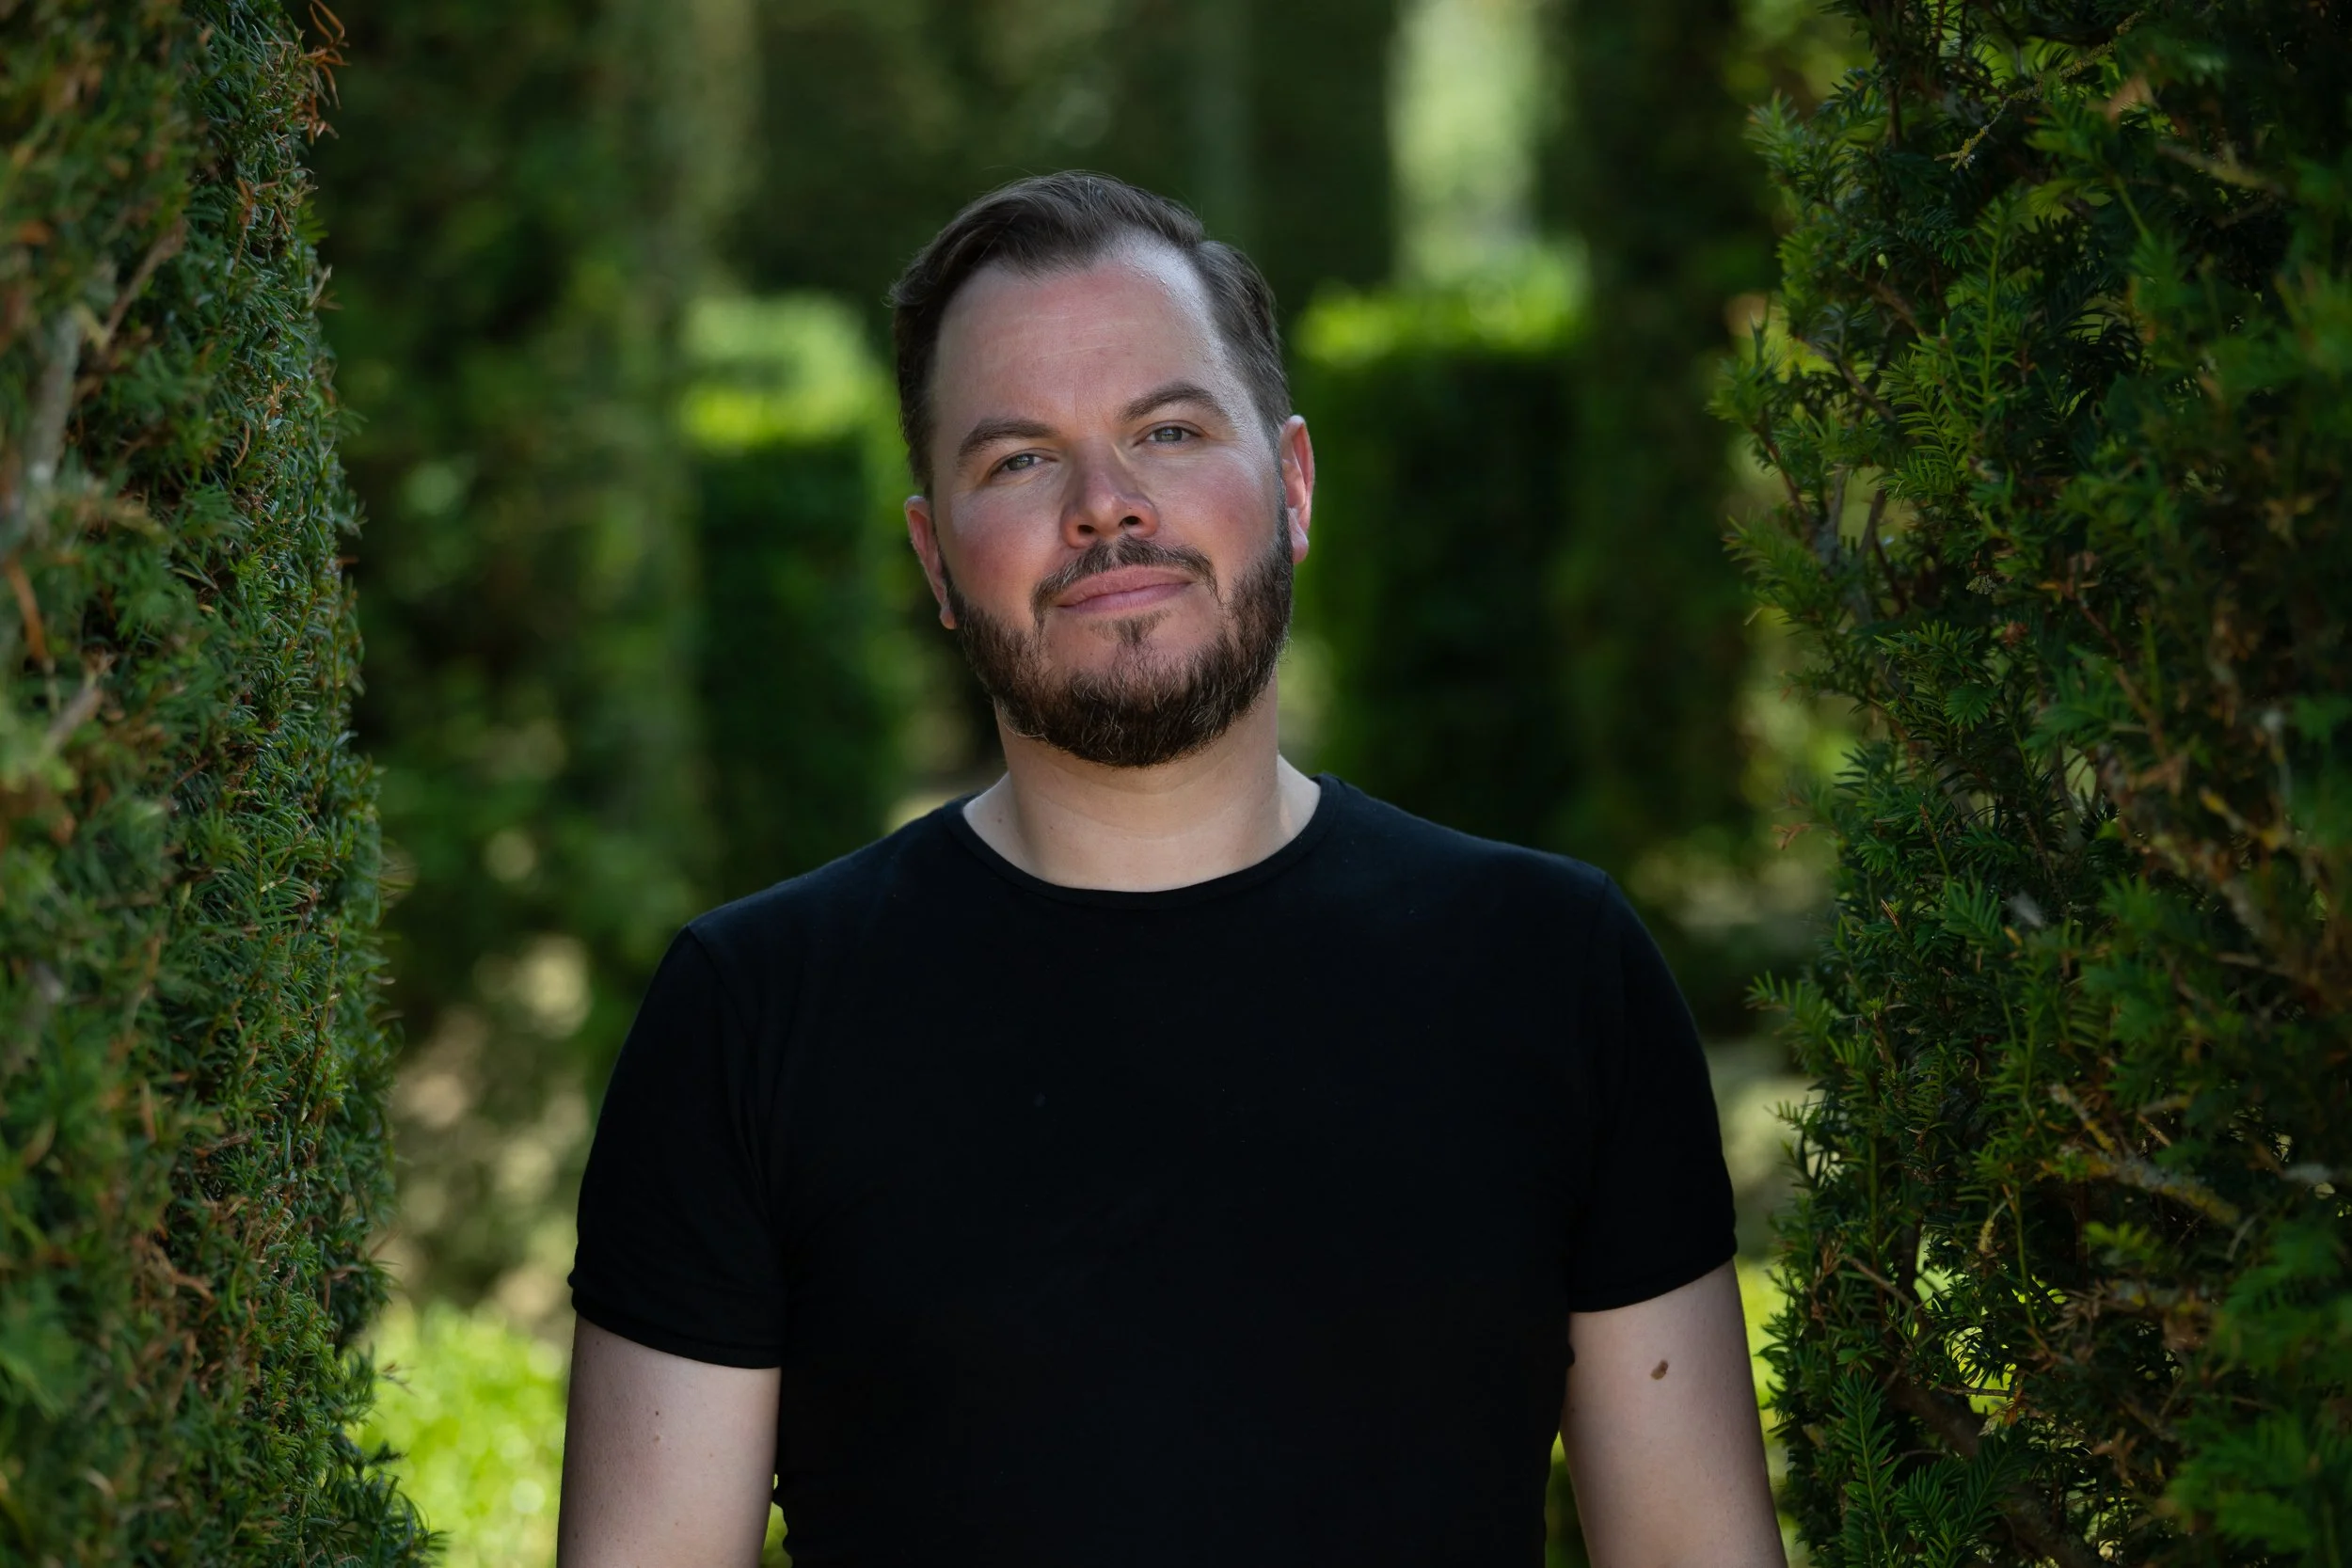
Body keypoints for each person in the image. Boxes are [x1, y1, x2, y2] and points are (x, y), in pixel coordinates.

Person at [557, 171, 1783, 1568]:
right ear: (935, 562)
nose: (1105, 504)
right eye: (1018, 458)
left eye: (1172, 430)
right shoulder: (748, 1017)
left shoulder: (1557, 973)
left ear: (1295, 483)